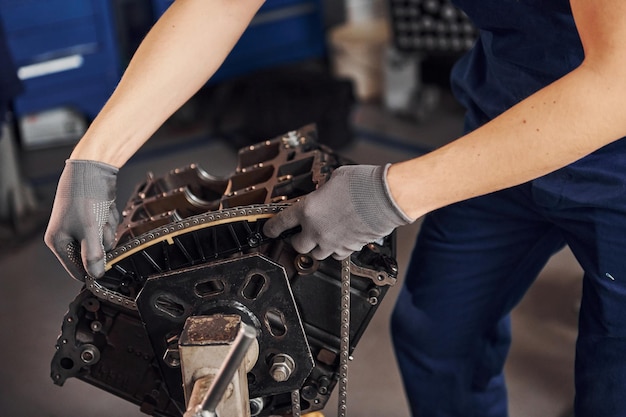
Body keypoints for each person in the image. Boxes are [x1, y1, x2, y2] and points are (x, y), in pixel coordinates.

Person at [44, 0, 626, 415]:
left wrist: (391, 194)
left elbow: (614, 85)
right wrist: (94, 157)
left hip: (616, 158)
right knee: (440, 336)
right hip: (503, 126)